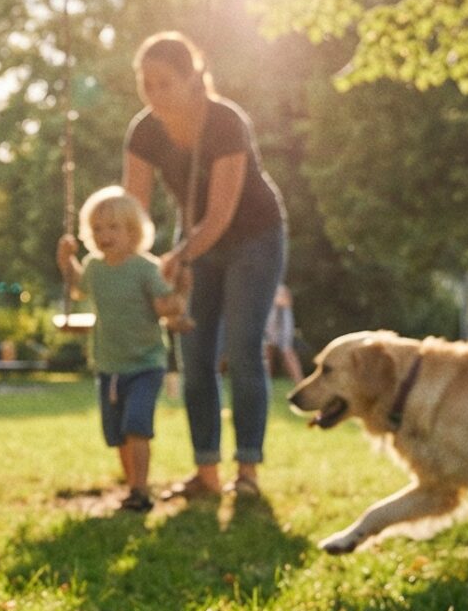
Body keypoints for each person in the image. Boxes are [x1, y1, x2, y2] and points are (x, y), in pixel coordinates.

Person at [108, 32, 290, 504]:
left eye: (164, 82)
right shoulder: (144, 132)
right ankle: (205, 472)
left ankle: (247, 469)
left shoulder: (226, 122)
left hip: (254, 237)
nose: (154, 93)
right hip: (194, 240)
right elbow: (134, 212)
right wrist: (130, 264)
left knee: (244, 348)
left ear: (192, 78)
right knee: (194, 356)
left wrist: (180, 257)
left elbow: (221, 214)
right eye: (146, 83)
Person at [57, 186, 189, 513]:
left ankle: (140, 490)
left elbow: (164, 306)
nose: (104, 235)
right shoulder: (94, 268)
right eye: (97, 228)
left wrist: (179, 296)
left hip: (146, 363)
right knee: (117, 433)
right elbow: (77, 287)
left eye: (113, 227)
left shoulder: (145, 268)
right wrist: (66, 260)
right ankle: (132, 485)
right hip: (109, 365)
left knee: (136, 426)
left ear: (133, 231)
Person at [265, 283, 304, 383]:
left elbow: (286, 301)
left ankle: (300, 382)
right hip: (268, 321)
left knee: (287, 351)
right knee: (267, 352)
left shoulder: (279, 288)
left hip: (280, 322)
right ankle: (264, 382)